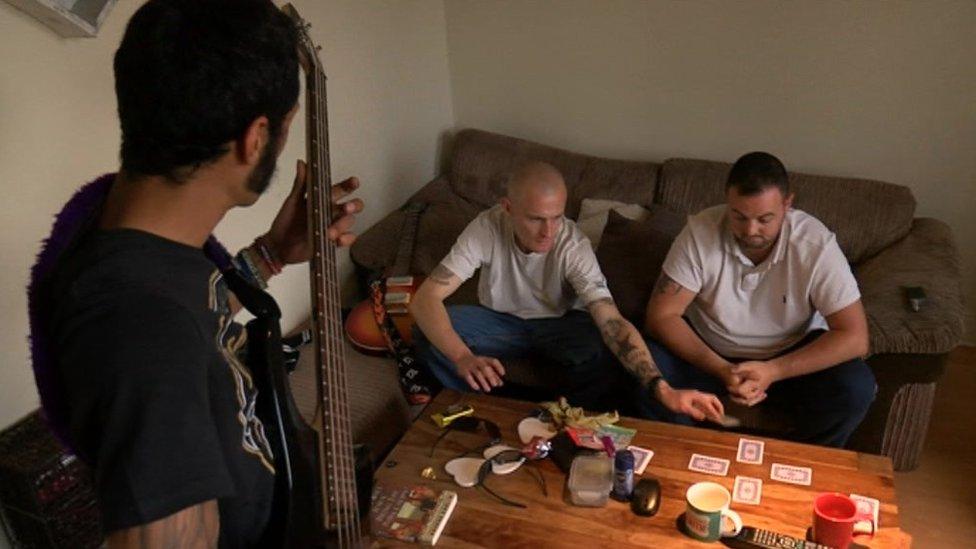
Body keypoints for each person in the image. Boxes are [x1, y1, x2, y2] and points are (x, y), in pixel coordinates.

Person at [39, 1, 363, 546]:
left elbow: (195, 319)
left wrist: (271, 254)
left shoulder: (139, 242)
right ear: (255, 138)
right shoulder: (137, 327)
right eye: (285, 128)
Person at [410, 161, 724, 424]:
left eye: (556, 217)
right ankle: (476, 411)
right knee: (429, 331)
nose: (548, 232)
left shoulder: (572, 245)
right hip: (499, 320)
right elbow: (426, 299)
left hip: (562, 324)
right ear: (508, 208)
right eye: (535, 219)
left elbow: (611, 320)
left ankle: (563, 419)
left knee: (604, 351)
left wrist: (662, 388)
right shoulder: (486, 227)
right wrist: (463, 357)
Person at [643, 151, 876, 448]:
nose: (750, 231)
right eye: (738, 216)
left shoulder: (815, 244)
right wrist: (720, 368)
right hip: (709, 352)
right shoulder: (700, 232)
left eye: (764, 219)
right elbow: (661, 316)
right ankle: (686, 454)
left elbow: (856, 337)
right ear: (727, 201)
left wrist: (773, 371)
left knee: (855, 386)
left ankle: (804, 462)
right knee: (645, 370)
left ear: (787, 204)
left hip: (787, 357)